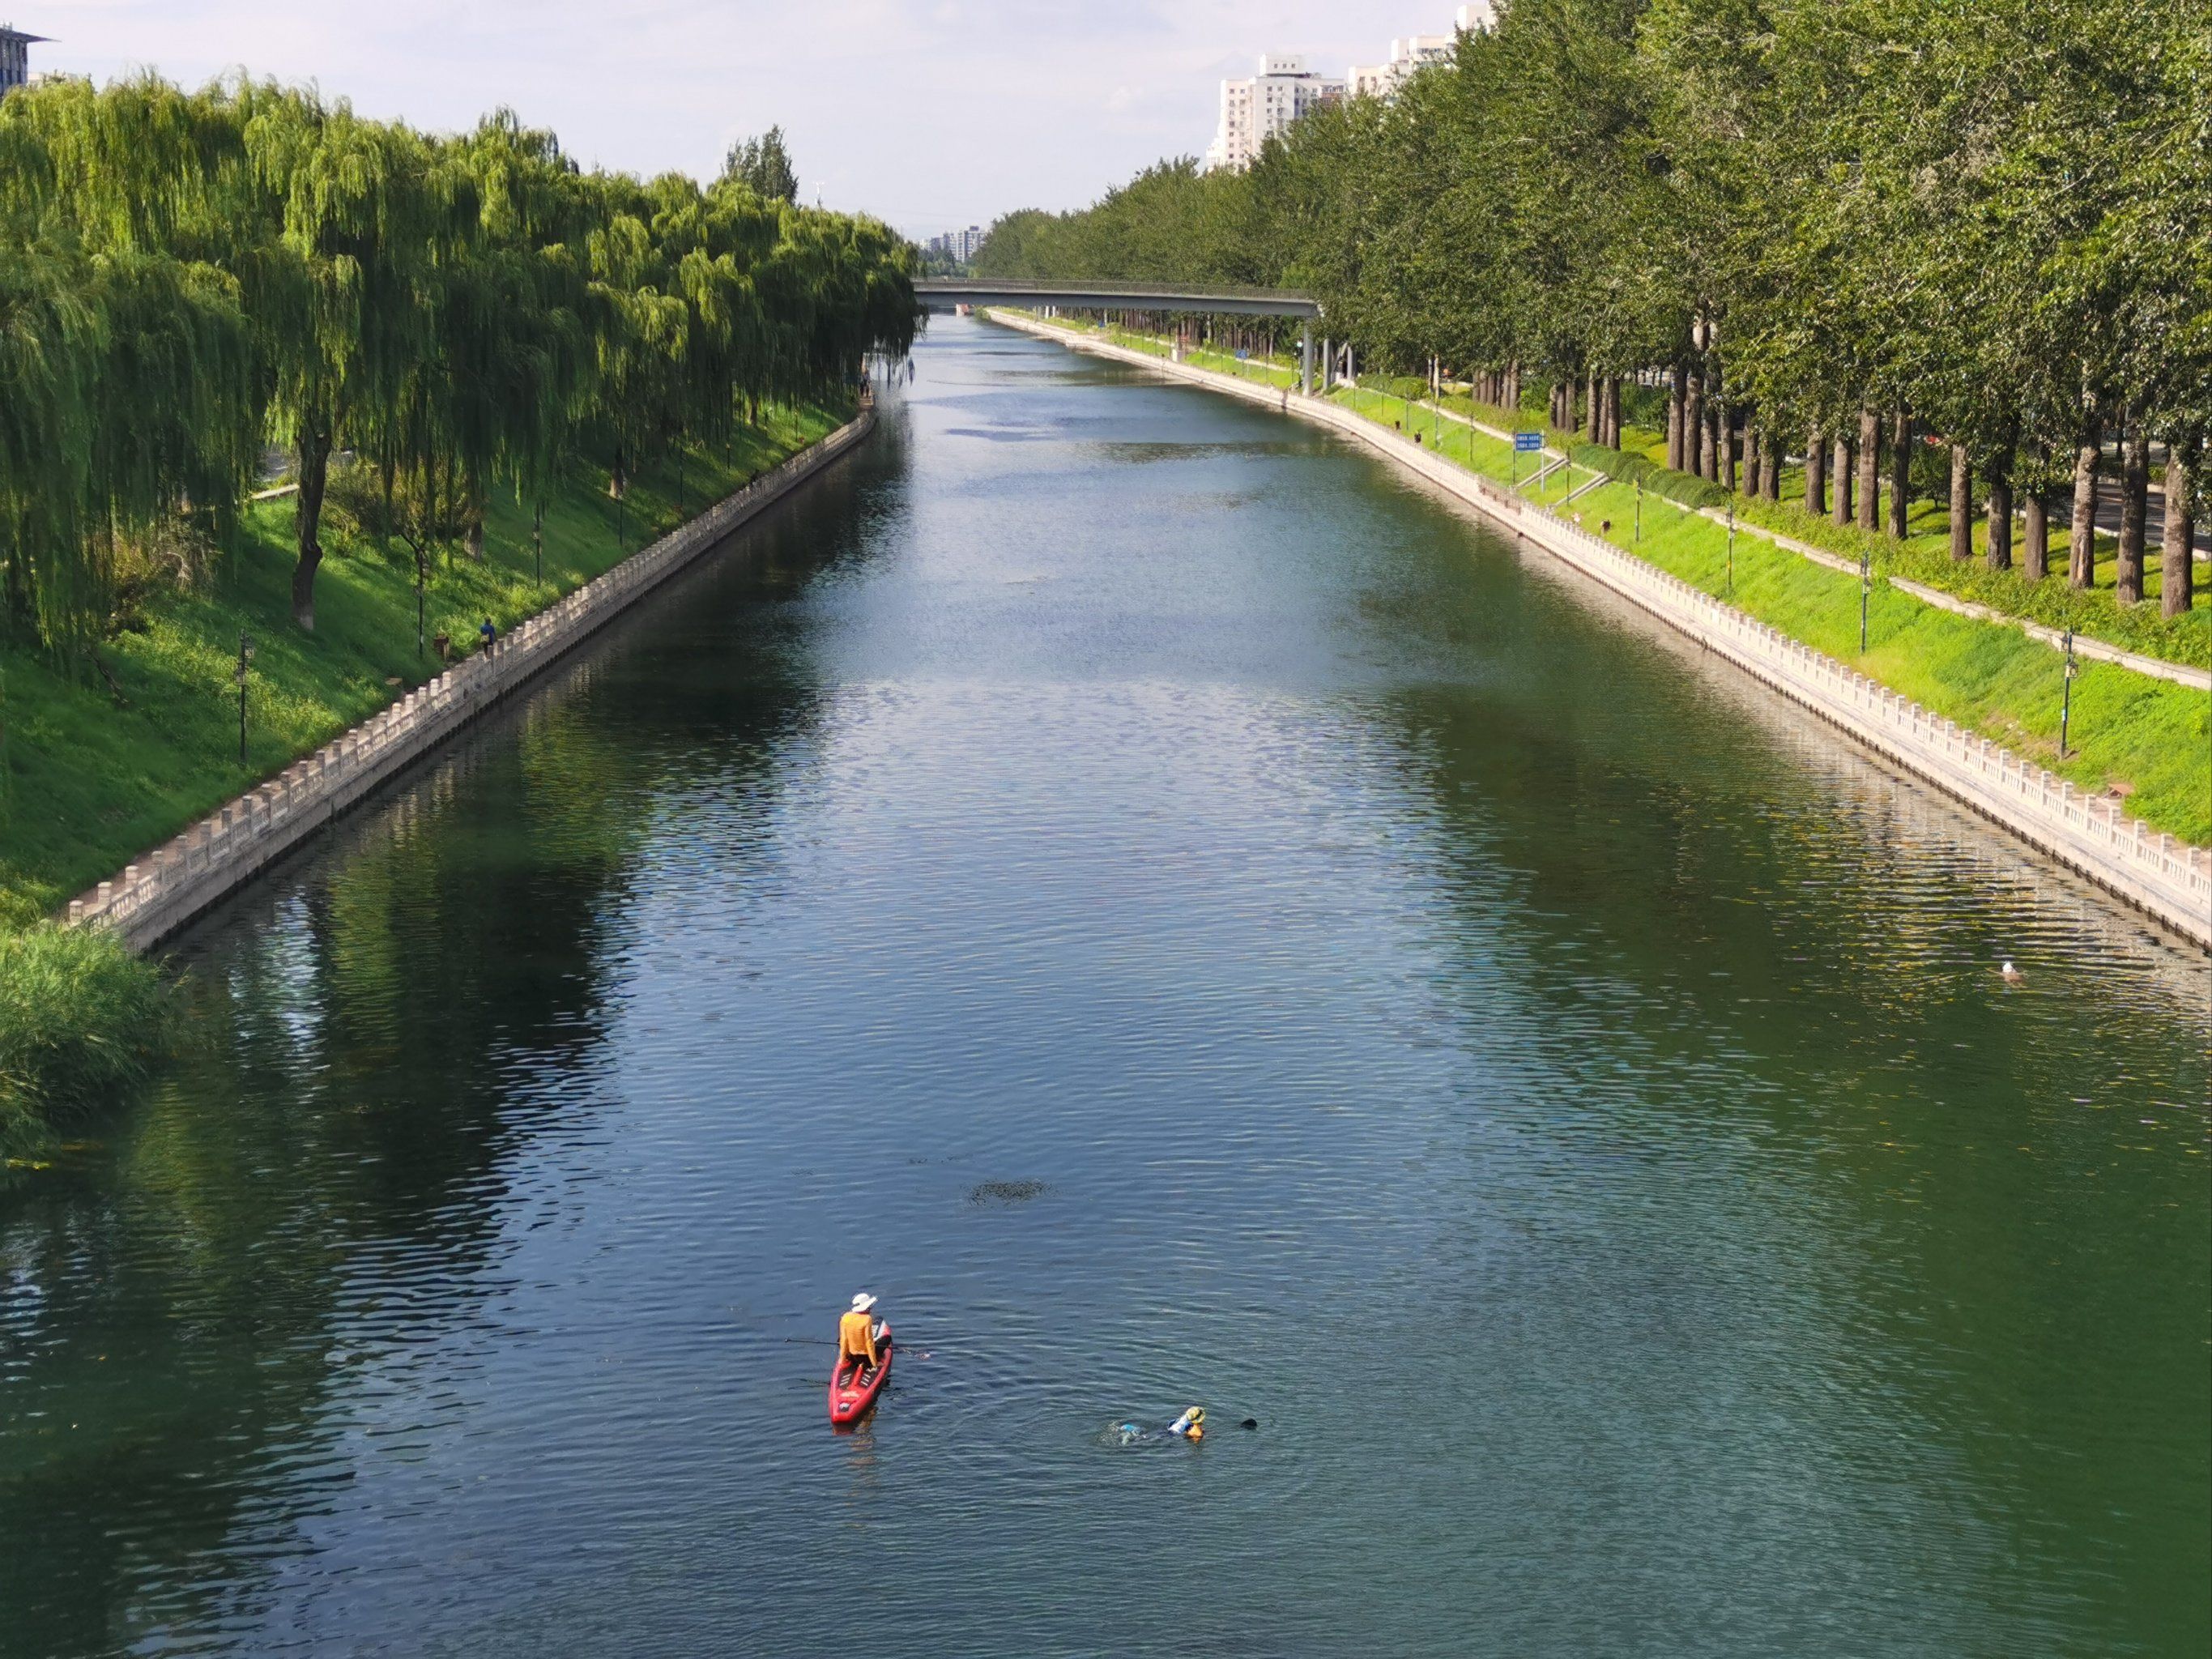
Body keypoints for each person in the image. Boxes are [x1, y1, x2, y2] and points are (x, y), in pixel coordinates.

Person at [838, 1292, 885, 1375]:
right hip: (865, 1358)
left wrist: (842, 1360)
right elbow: (869, 1342)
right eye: (869, 1307)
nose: (870, 1309)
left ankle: (846, 1359)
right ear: (866, 1308)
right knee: (887, 1339)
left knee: (839, 1339)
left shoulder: (845, 1316)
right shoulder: (867, 1319)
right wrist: (874, 1364)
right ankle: (875, 1361)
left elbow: (844, 1340)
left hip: (851, 1356)